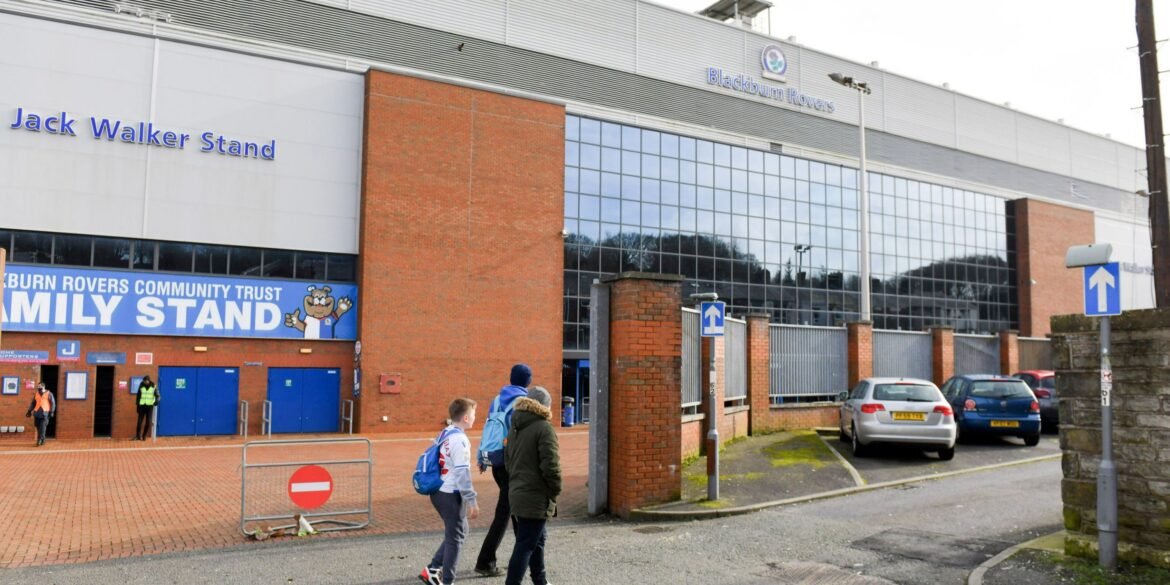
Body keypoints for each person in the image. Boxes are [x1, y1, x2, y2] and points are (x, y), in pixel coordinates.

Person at [474, 363, 532, 577]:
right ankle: (485, 561)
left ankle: (524, 556)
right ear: (527, 380)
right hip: (511, 462)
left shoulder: (497, 399)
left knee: (514, 508)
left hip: (495, 460)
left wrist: (481, 456)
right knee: (506, 511)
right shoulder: (523, 402)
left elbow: (488, 427)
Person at [504, 386, 561, 585]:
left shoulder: (515, 426)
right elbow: (551, 466)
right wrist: (555, 490)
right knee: (525, 545)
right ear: (545, 406)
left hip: (517, 493)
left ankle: (540, 580)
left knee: (537, 540)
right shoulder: (544, 428)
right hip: (535, 496)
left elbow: (508, 460)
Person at [420, 397, 480, 585]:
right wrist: (471, 500)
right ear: (465, 418)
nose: (475, 417)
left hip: (438, 491)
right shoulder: (460, 440)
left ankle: (432, 569)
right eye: (473, 414)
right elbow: (462, 474)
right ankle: (447, 580)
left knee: (459, 532)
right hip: (450, 493)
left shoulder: (445, 432)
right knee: (455, 538)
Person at [135, 376, 160, 440]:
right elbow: (138, 396)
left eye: (146, 381)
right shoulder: (141, 386)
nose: (145, 382)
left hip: (149, 406)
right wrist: (137, 406)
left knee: (148, 422)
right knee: (139, 422)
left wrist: (157, 401)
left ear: (148, 381)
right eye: (144, 381)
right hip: (142, 406)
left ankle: (144, 435)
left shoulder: (153, 386)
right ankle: (138, 436)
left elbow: (158, 395)